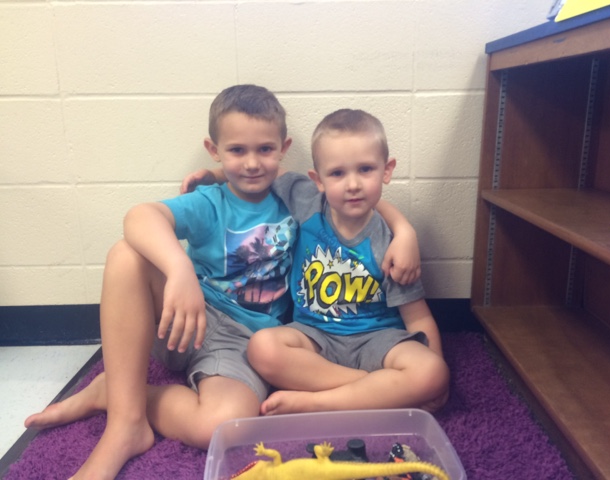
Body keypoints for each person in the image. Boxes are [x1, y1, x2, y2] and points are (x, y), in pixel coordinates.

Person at [24, 87, 420, 480]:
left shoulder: (296, 194)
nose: (252, 163)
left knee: (223, 425)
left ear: (283, 149)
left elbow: (356, 196)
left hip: (246, 343)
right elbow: (139, 216)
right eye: (237, 151)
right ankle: (124, 425)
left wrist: (404, 231)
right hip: (188, 319)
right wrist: (179, 269)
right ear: (214, 150)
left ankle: (114, 392)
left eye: (264, 149)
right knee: (126, 255)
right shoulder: (210, 202)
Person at [247, 108, 450, 416]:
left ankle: (315, 403)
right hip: (314, 338)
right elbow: (262, 171)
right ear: (317, 180)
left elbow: (418, 319)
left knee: (431, 372)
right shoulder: (308, 203)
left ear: (386, 171)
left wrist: (439, 378)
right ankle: (374, 390)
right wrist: (213, 175)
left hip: (378, 342)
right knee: (261, 347)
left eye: (365, 169)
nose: (352, 184)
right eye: (337, 173)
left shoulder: (391, 243)